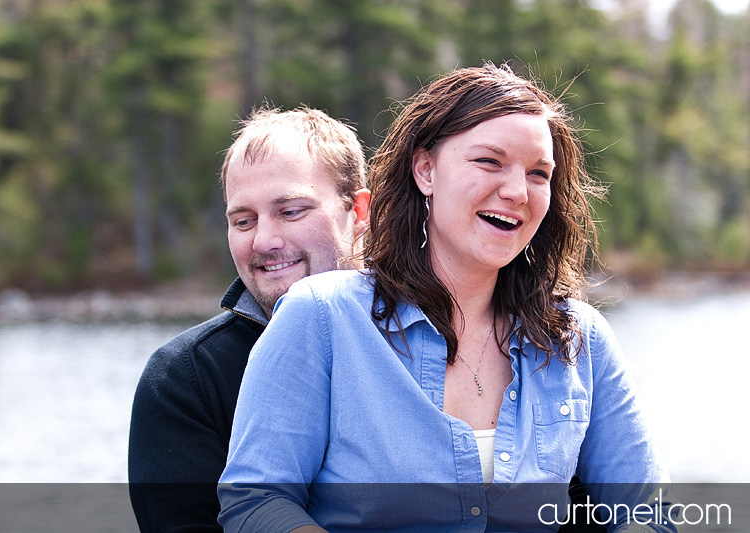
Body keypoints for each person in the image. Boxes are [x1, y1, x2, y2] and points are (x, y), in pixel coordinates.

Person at [218, 64, 676, 532]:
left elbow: (649, 513)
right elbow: (256, 501)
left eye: (539, 173)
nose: (517, 190)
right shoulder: (321, 314)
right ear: (425, 171)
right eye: (489, 162)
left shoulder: (580, 338)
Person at [128, 106, 370, 532]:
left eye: (291, 211)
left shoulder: (431, 337)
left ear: (359, 211)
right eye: (243, 220)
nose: (264, 240)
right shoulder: (185, 380)